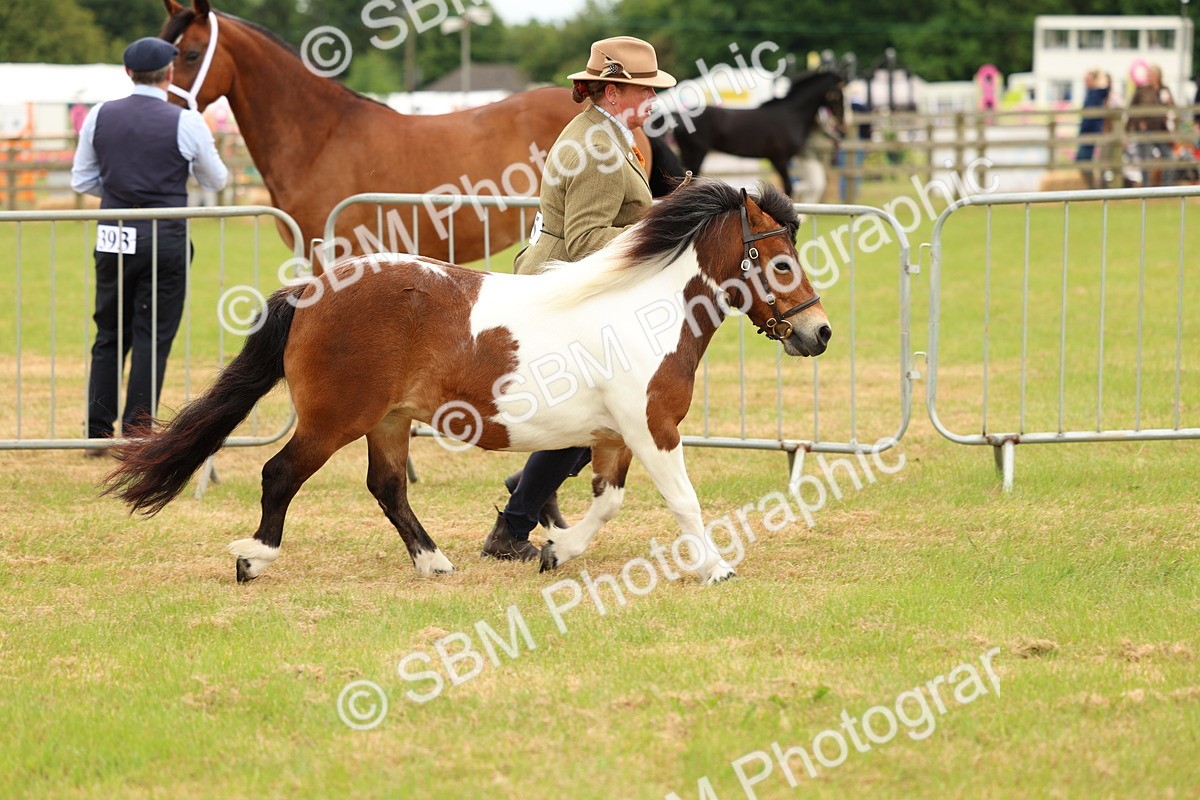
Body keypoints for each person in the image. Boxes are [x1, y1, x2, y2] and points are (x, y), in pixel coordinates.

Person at [480, 36, 675, 561]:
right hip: (563, 286)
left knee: (588, 414)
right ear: (612, 91)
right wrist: (661, 236)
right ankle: (512, 527)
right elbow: (588, 239)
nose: (654, 101)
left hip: (568, 284)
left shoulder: (605, 134)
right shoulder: (598, 148)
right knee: (587, 415)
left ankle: (527, 487)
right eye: (645, 91)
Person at [71, 37, 228, 456]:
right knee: (152, 337)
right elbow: (216, 180)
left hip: (113, 233)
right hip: (165, 236)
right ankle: (137, 433)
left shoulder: (99, 115)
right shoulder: (186, 120)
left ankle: (96, 432)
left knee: (108, 333)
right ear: (170, 74)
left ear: (128, 73)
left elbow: (82, 180)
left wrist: (123, 193)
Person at [1127, 64, 1175, 187]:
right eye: (1149, 74)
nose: (1150, 77)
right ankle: (1147, 188)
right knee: (1146, 161)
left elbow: (1173, 109)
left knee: (1169, 158)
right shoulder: (1141, 90)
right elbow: (1132, 109)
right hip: (1145, 130)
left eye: (1152, 74)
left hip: (1161, 130)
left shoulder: (1164, 90)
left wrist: (1169, 103)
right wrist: (1132, 126)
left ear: (1158, 76)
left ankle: (1166, 187)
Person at [1075, 69, 1111, 188]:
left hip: (1091, 132)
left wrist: (1100, 75)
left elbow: (1107, 87)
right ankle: (1092, 186)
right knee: (1083, 161)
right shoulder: (1090, 93)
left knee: (1084, 160)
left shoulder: (1097, 93)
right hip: (1087, 132)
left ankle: (1093, 187)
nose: (1086, 82)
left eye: (1088, 79)